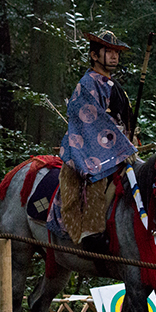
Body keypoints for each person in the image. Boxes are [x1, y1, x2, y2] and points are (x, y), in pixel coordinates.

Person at [54, 30, 137, 245]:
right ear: (94, 55)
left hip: (119, 148)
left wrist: (131, 140)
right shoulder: (87, 84)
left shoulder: (114, 86)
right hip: (93, 149)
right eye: (108, 51)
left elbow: (126, 119)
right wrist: (121, 147)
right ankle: (90, 232)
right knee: (97, 179)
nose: (114, 56)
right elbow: (92, 123)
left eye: (116, 53)